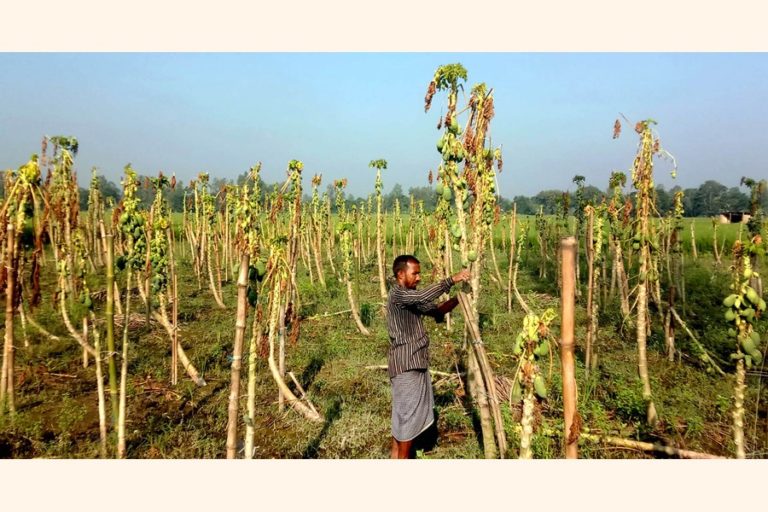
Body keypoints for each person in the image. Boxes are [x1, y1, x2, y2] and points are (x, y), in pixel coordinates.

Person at [386, 254, 471, 459]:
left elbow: (436, 310)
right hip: (407, 364)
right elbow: (423, 297)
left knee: (404, 416)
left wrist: (460, 299)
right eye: (414, 273)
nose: (419, 277)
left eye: (419, 273)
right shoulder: (398, 295)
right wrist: (452, 279)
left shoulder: (409, 298)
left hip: (414, 362)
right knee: (406, 418)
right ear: (400, 274)